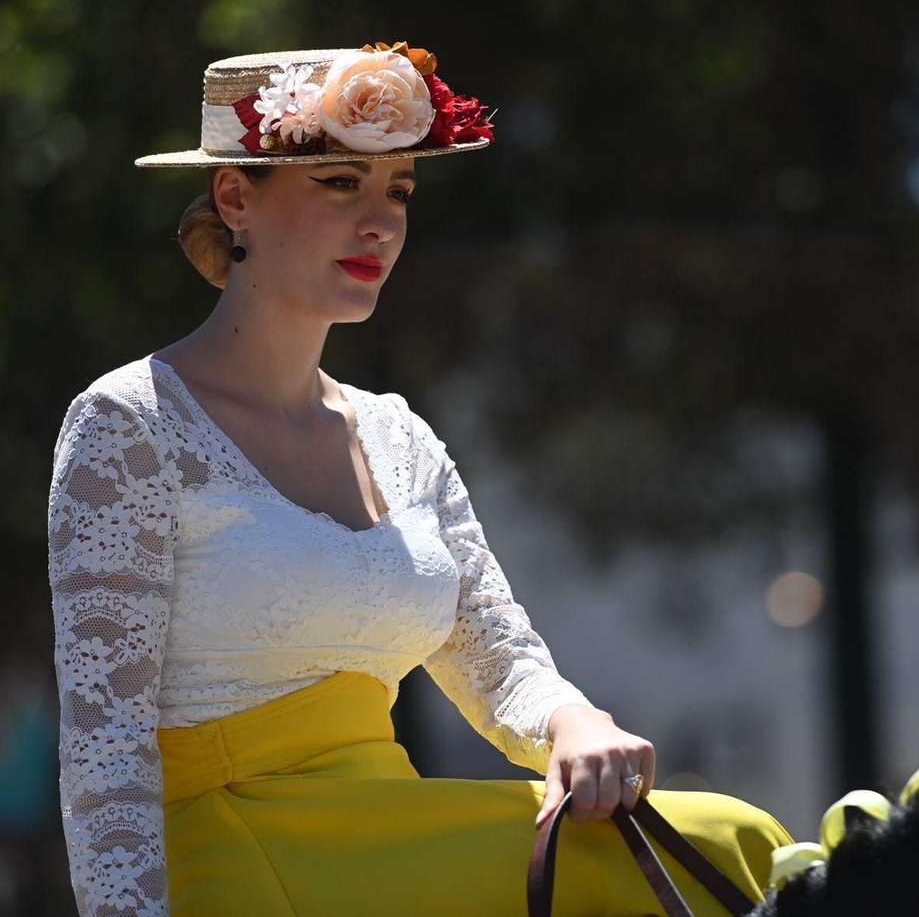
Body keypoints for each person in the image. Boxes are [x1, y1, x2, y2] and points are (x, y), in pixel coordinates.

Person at [46, 44, 794, 917]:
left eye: (397, 191)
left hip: (391, 828)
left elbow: (500, 660)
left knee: (733, 841)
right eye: (339, 184)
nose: (381, 225)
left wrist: (576, 724)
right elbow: (105, 744)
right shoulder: (129, 423)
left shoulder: (400, 434)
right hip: (234, 850)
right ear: (235, 197)